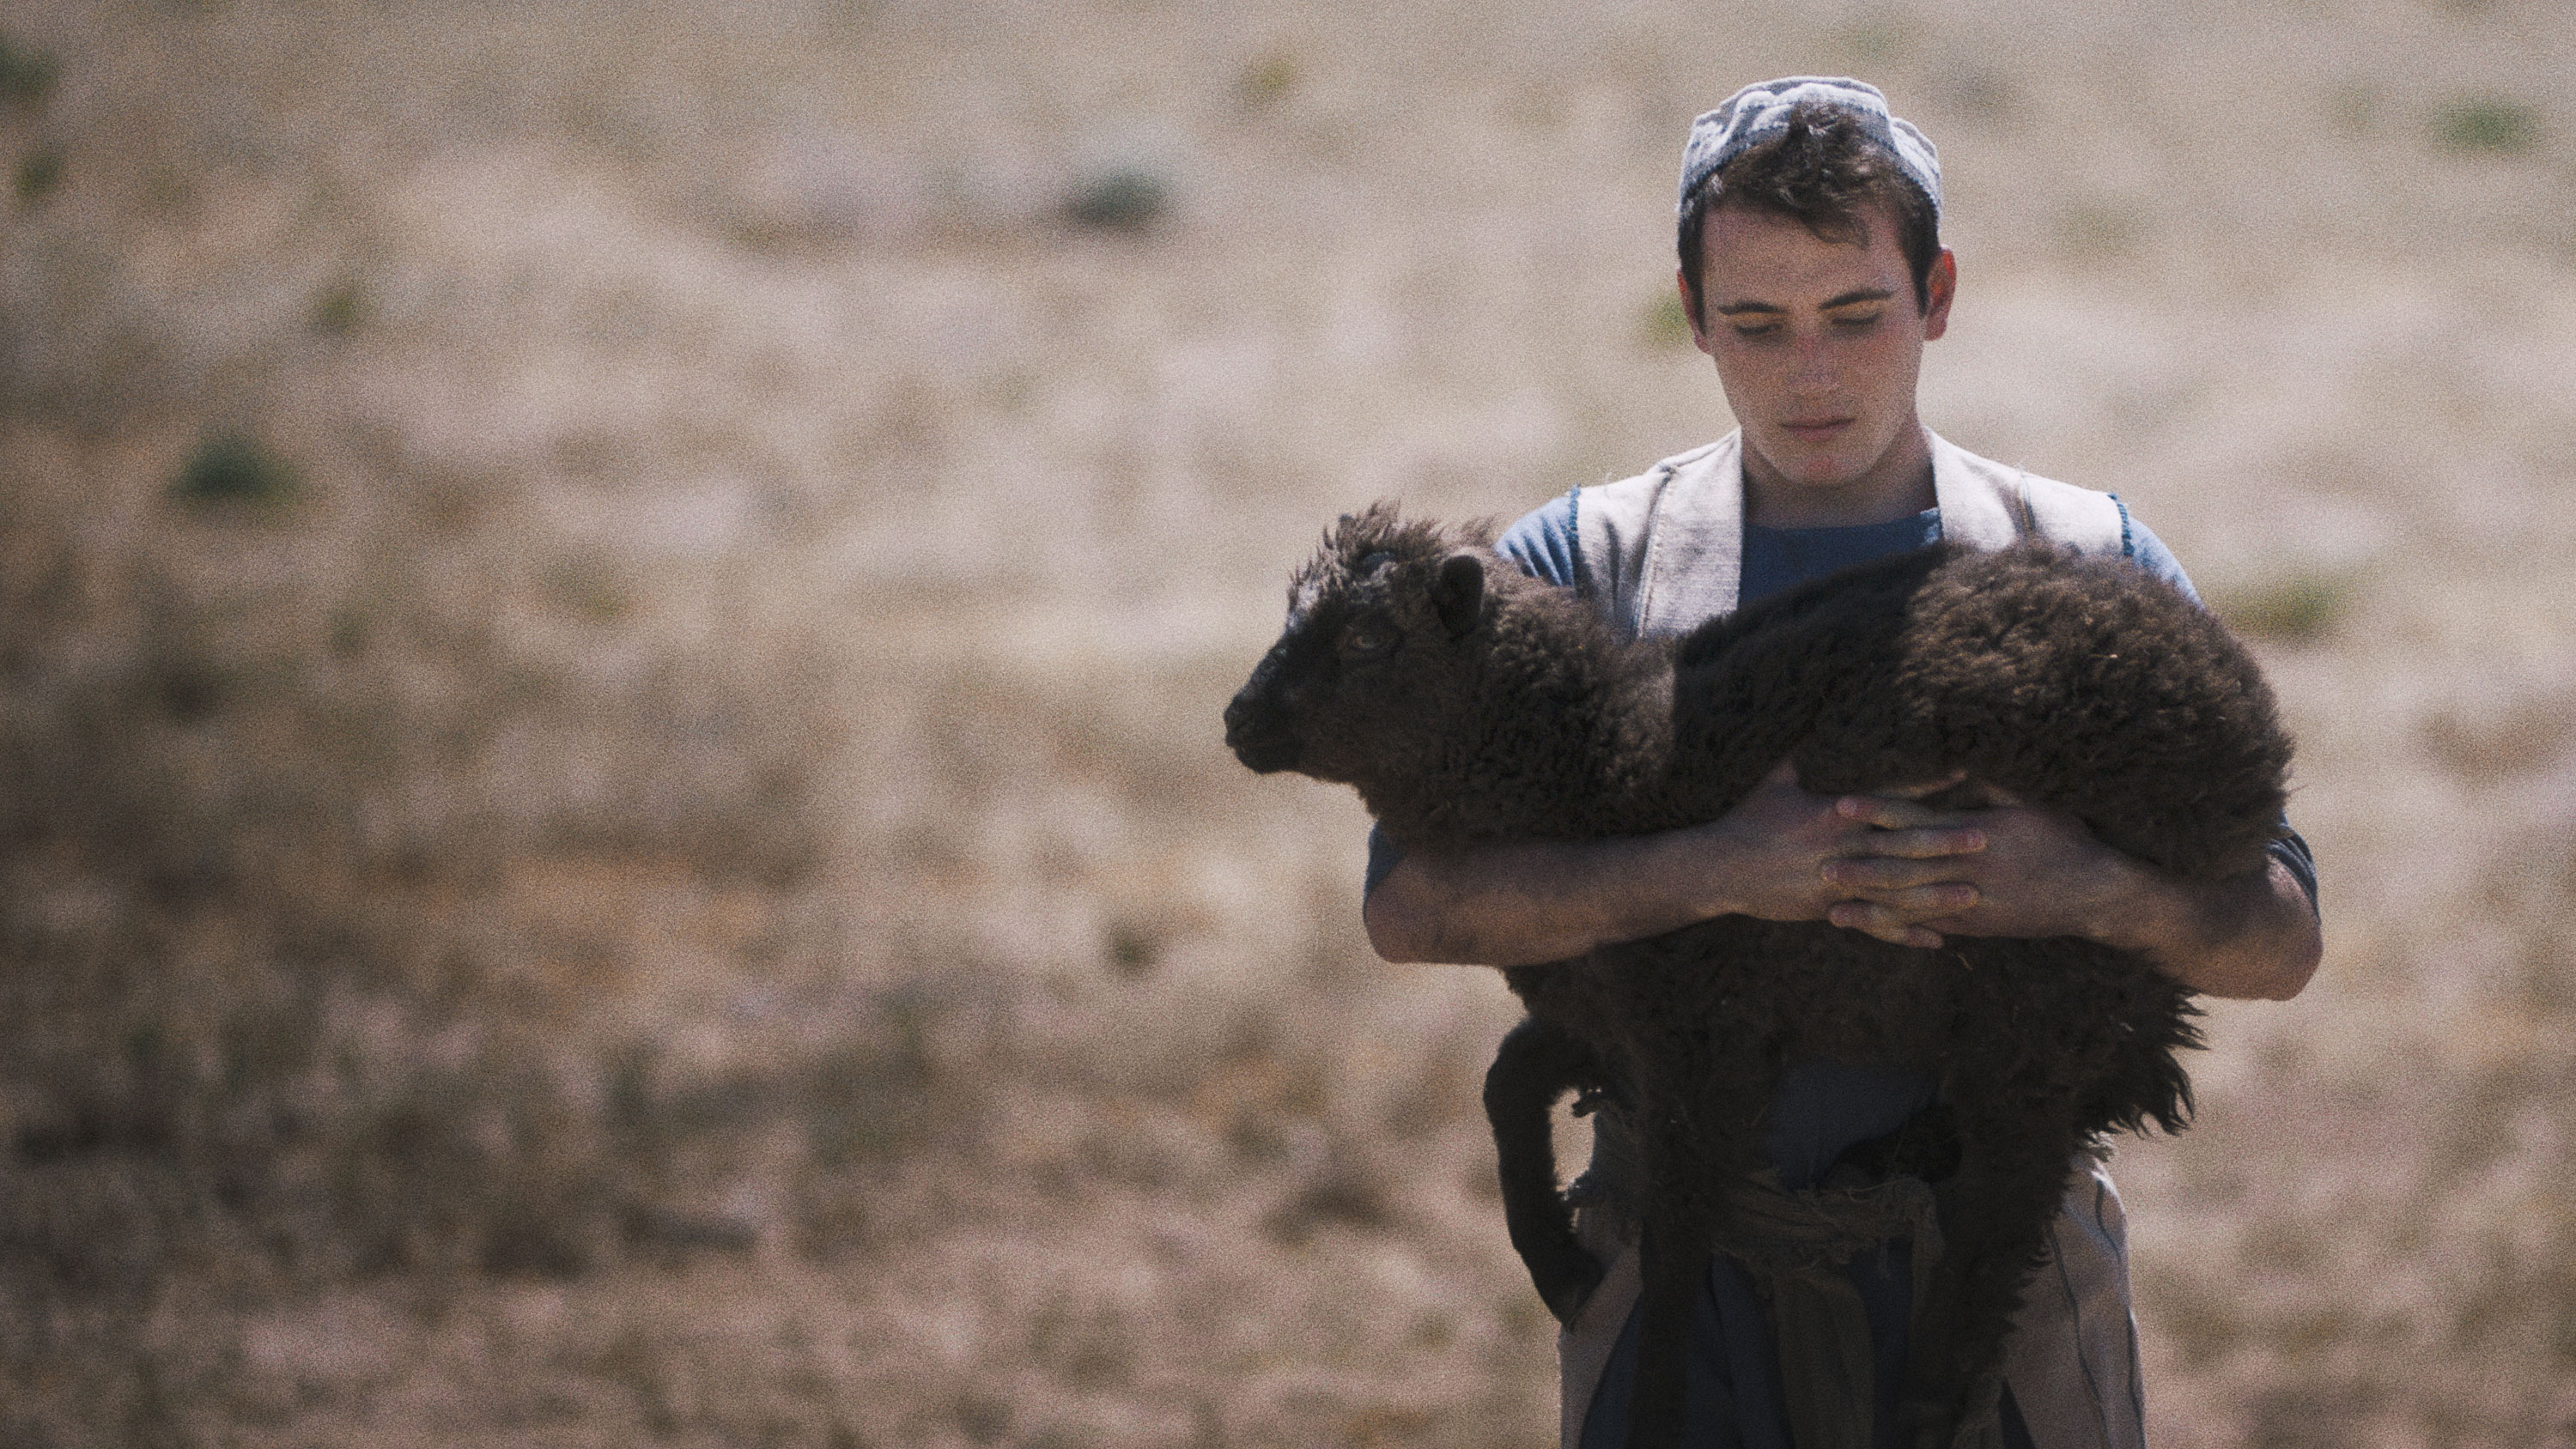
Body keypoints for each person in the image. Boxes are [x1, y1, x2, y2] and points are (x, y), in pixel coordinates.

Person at [1360, 78, 2322, 1449]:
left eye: (1856, 316)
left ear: (1935, 293)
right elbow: (1410, 908)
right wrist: (1717, 870)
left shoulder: (2085, 557)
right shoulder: (1585, 570)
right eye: (1756, 324)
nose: (1810, 372)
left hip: (2005, 1290)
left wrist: (2089, 890)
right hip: (1681, 1289)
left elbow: (2280, 941)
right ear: (1692, 315)